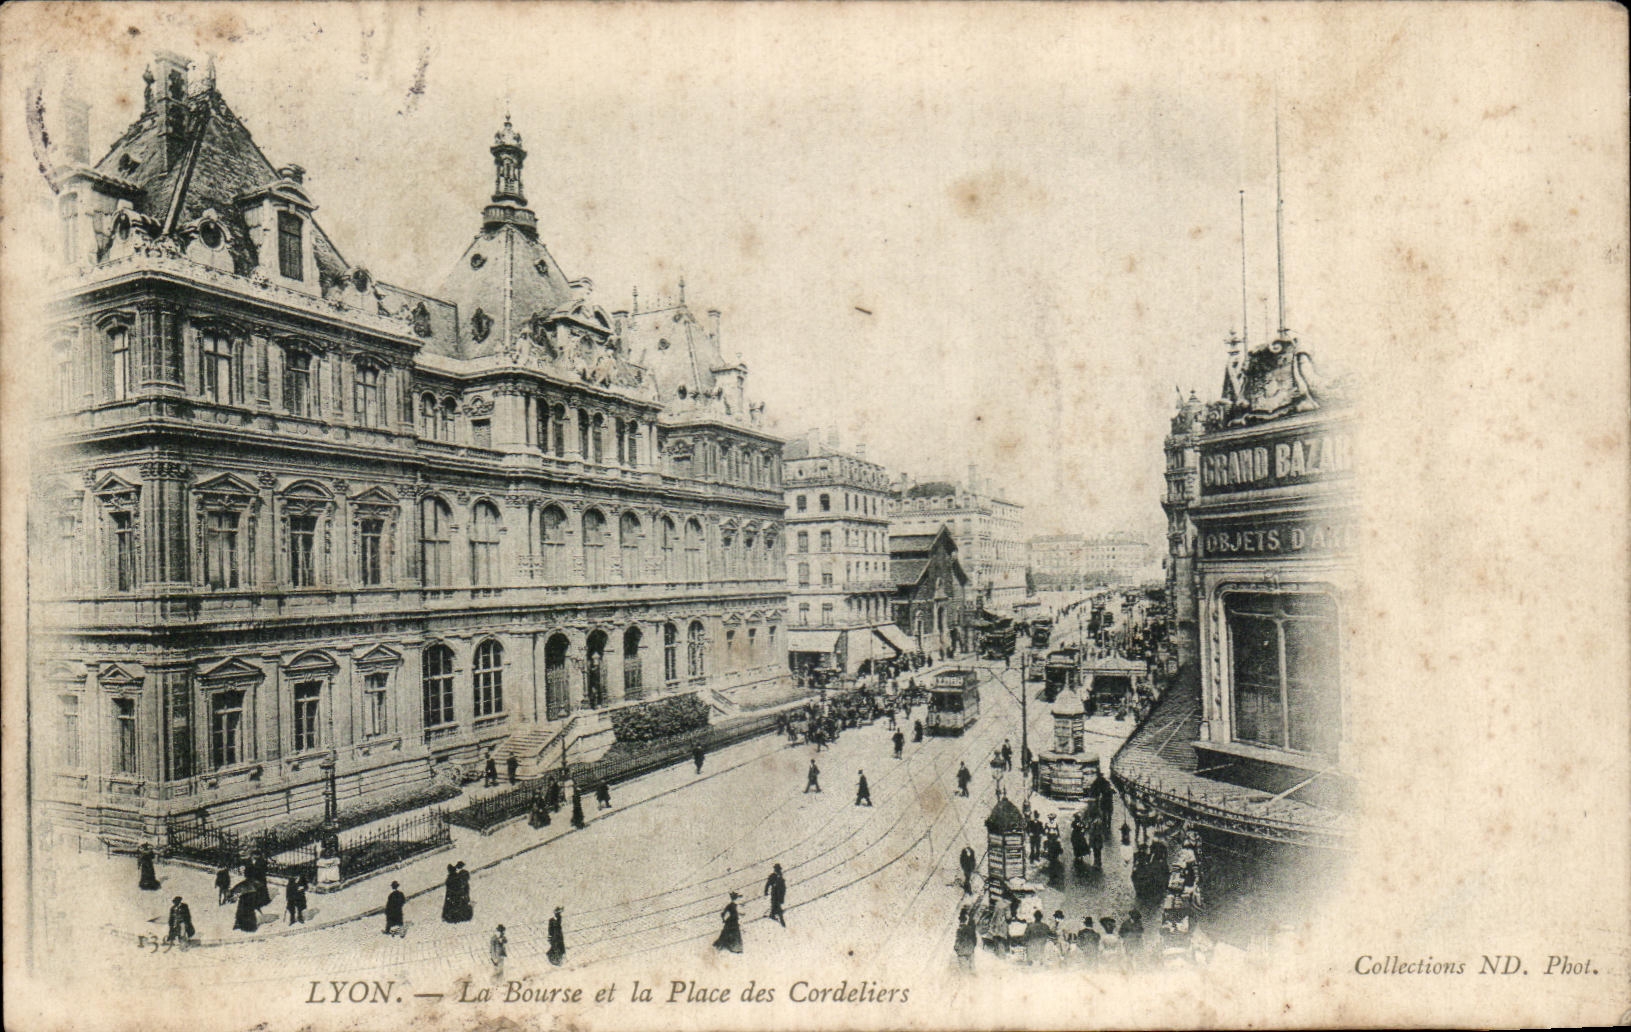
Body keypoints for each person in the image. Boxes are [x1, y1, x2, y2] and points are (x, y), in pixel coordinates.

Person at [954, 905, 979, 971]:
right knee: (966, 928)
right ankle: (967, 913)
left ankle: (967, 913)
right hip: (967, 949)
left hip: (966, 949)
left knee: (967, 928)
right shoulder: (967, 968)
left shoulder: (966, 968)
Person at [763, 863, 787, 928]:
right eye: (777, 869)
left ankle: (774, 914)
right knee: (776, 904)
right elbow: (768, 884)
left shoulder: (780, 876)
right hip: (775, 893)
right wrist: (766, 891)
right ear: (775, 869)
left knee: (777, 904)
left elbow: (783, 886)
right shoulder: (773, 876)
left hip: (780, 894)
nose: (778, 870)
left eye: (779, 869)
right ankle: (777, 916)